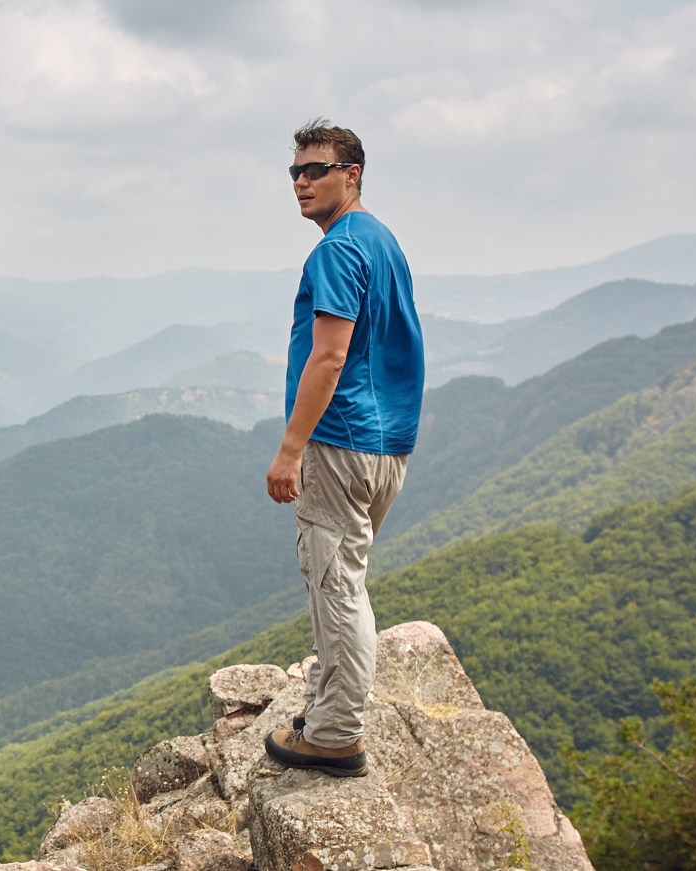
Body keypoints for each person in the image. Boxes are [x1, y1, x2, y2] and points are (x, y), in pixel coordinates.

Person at [261, 119, 424, 778]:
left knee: (336, 586)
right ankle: (330, 705)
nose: (301, 182)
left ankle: (334, 733)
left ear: (351, 174)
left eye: (315, 169)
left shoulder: (336, 252)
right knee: (344, 578)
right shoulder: (380, 241)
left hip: (340, 440)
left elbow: (328, 358)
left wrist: (290, 448)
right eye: (295, 171)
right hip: (388, 444)